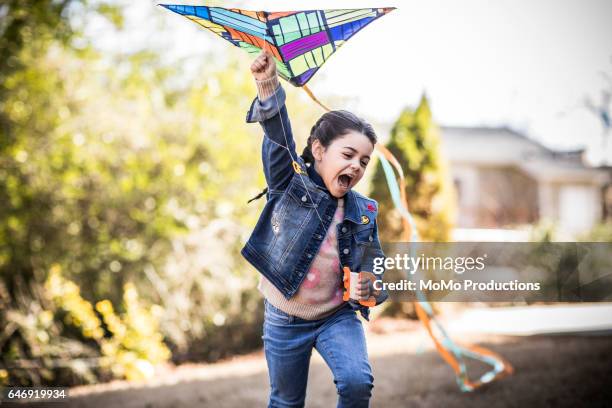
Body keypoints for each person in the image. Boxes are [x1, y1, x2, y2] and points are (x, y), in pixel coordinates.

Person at [241, 49, 389, 408]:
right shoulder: (289, 186)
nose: (356, 166)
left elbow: (375, 267)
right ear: (319, 150)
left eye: (364, 161)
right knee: (286, 401)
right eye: (348, 154)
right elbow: (278, 140)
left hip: (336, 315)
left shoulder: (364, 211)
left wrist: (371, 284)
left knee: (356, 383)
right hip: (284, 318)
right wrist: (267, 83)